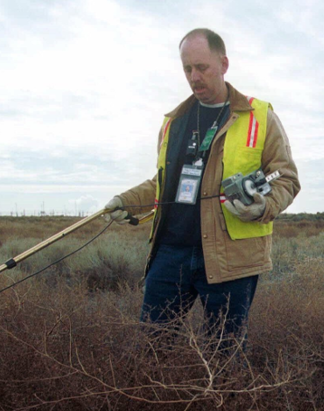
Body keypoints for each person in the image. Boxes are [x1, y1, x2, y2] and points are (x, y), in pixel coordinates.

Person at [104, 28, 300, 345]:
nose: (194, 77)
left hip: (230, 259)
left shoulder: (259, 117)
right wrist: (124, 200)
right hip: (169, 255)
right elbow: (162, 184)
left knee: (224, 357)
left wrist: (262, 206)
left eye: (202, 67)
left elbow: (286, 177)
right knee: (151, 348)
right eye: (187, 69)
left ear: (223, 64)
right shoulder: (173, 121)